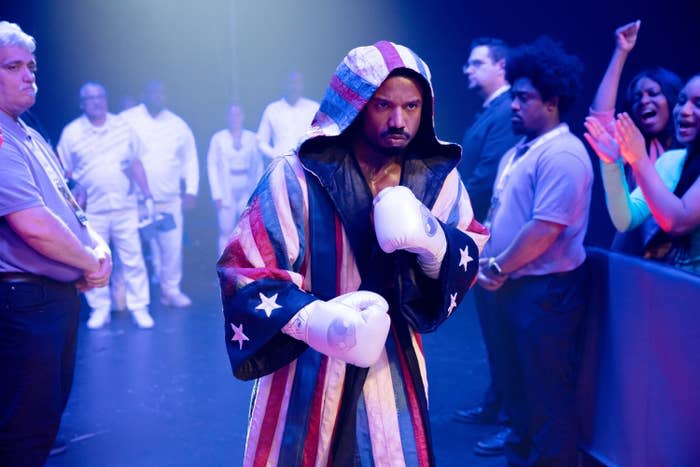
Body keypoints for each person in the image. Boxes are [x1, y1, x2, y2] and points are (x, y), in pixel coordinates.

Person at [217, 40, 488, 466]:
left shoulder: (437, 182)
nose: (399, 120)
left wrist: (434, 241)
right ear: (355, 105)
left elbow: (469, 249)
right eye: (383, 105)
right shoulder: (295, 175)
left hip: (393, 363)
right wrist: (317, 322)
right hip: (306, 364)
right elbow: (246, 270)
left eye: (412, 107)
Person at [0, 21, 111, 466]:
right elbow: (33, 225)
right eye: (13, 66)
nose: (29, 75)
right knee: (24, 429)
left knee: (43, 417)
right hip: (25, 301)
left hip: (50, 298)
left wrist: (96, 249)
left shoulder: (27, 132)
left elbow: (67, 202)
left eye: (31, 65)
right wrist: (88, 262)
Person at [477, 37, 592, 465]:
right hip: (514, 287)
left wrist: (499, 266)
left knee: (548, 400)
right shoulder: (517, 153)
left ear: (552, 101)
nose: (512, 105)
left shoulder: (564, 153)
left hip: (546, 294)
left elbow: (544, 229)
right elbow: (500, 213)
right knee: (518, 393)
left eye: (523, 98)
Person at [454, 37, 519, 456]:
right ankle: (497, 404)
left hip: (493, 234)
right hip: (480, 234)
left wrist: (449, 209)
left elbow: (485, 176)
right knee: (493, 332)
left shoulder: (507, 110)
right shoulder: (489, 111)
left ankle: (513, 418)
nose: (466, 69)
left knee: (505, 333)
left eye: (476, 62)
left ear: (501, 65)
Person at [57, 82, 155, 329]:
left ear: (106, 99)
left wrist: (148, 196)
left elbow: (135, 163)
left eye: (99, 96)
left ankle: (139, 307)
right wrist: (70, 208)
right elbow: (63, 173)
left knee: (133, 258)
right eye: (89, 98)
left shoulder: (123, 127)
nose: (96, 101)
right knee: (95, 260)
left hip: (125, 206)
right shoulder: (72, 133)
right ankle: (99, 309)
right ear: (82, 103)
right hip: (91, 213)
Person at [585, 74, 700, 275]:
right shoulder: (671, 160)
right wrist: (612, 163)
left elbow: (677, 222)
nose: (685, 111)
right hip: (667, 286)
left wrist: (639, 159)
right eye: (681, 101)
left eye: (698, 104)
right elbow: (625, 219)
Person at [589, 20, 682, 254]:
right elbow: (600, 118)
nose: (644, 101)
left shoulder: (687, 152)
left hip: (677, 263)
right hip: (633, 258)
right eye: (637, 97)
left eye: (653, 93)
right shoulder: (633, 146)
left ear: (673, 100)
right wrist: (621, 52)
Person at [121, 80, 199, 307]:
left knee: (171, 249)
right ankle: (131, 298)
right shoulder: (128, 119)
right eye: (153, 92)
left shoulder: (178, 125)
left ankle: (170, 291)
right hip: (135, 201)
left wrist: (191, 191)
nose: (158, 96)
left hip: (169, 200)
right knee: (130, 250)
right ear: (143, 94)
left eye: (162, 93)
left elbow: (190, 159)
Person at [207, 103, 263, 253]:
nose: (235, 118)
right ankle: (224, 273)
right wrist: (216, 194)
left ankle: (245, 272)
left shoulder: (252, 138)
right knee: (225, 230)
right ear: (227, 117)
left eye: (238, 114)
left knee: (247, 232)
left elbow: (258, 167)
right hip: (226, 188)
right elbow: (211, 166)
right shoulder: (218, 138)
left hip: (246, 186)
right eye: (232, 115)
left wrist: (257, 193)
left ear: (243, 116)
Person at [256, 70, 319, 163]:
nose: (293, 87)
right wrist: (276, 155)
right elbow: (261, 142)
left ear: (302, 85)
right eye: (290, 83)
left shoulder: (314, 108)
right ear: (284, 85)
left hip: (308, 167)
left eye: (297, 83)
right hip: (281, 168)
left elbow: (324, 138)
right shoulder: (272, 109)